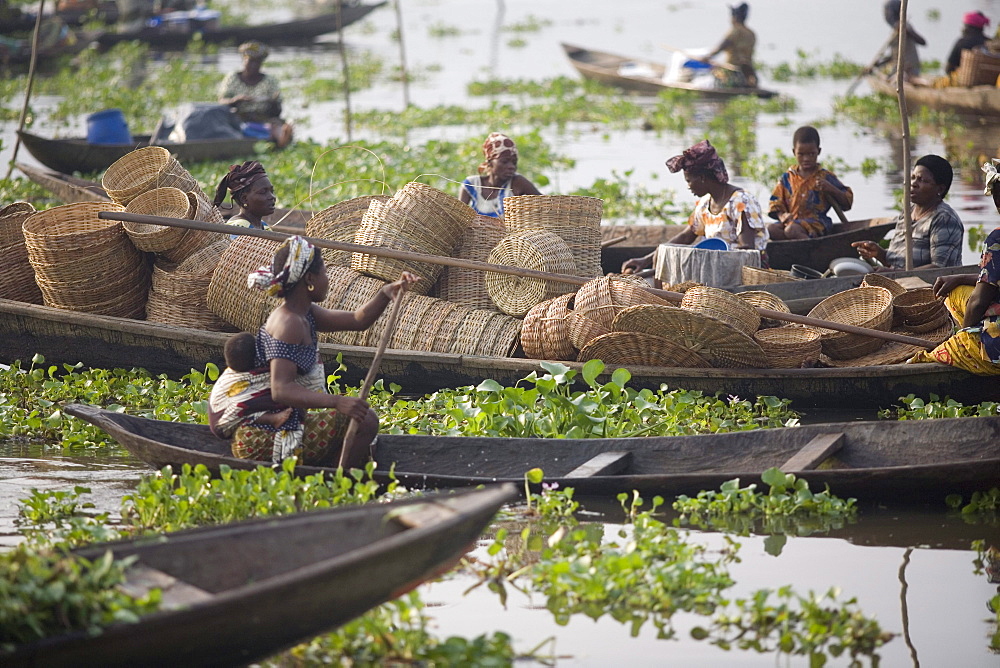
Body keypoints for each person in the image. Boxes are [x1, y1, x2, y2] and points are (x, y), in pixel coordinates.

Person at [228, 235, 419, 467]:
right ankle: (333, 481)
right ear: (309, 279)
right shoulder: (288, 323)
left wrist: (386, 293)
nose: (328, 280)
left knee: (363, 425)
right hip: (264, 433)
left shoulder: (306, 313)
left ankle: (335, 469)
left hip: (291, 419)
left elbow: (358, 320)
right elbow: (280, 390)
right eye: (325, 274)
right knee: (365, 421)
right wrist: (337, 401)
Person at [907, 160, 1000, 375]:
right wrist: (960, 278)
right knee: (955, 292)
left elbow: (977, 302)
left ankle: (966, 345)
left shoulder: (997, 239)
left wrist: (963, 336)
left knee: (923, 359)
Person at [621, 139, 768, 275]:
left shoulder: (741, 202)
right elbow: (686, 236)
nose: (688, 187)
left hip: (747, 271)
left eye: (689, 181)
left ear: (703, 178)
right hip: (716, 268)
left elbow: (748, 250)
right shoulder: (705, 204)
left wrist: (705, 259)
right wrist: (647, 259)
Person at [852, 154, 964, 271]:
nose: (913, 184)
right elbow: (898, 263)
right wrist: (880, 253)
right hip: (899, 281)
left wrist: (893, 273)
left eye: (922, 180)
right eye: (913, 177)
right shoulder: (908, 211)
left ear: (940, 189)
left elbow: (939, 268)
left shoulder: (944, 219)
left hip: (929, 287)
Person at [767, 126, 854, 240]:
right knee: (770, 229)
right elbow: (775, 204)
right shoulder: (787, 178)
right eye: (801, 154)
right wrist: (782, 216)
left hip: (817, 224)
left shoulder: (825, 177)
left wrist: (830, 188)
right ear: (794, 152)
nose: (806, 159)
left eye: (811, 154)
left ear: (818, 151)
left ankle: (811, 248)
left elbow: (846, 202)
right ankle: (793, 249)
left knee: (792, 230)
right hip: (792, 222)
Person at [208, 332, 293, 441]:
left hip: (218, 416)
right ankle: (271, 419)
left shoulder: (234, 369)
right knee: (274, 393)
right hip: (222, 426)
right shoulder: (254, 375)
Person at [217, 41, 293, 148]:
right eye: (250, 61)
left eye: (257, 62)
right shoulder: (233, 78)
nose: (253, 65)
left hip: (263, 119)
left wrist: (273, 102)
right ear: (244, 60)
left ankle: (281, 139)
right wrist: (236, 100)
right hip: (238, 119)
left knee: (275, 126)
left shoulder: (270, 81)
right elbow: (221, 101)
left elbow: (277, 111)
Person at [459, 132, 541, 218]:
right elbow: (458, 218)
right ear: (490, 163)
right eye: (504, 162)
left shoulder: (517, 183)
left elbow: (548, 206)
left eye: (514, 162)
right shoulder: (471, 184)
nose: (511, 167)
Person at [703, 2, 757, 88]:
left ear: (734, 18)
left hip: (733, 71)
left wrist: (707, 57)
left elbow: (721, 47)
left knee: (713, 71)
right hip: (748, 73)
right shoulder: (751, 33)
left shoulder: (735, 31)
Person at [213, 160, 275, 233]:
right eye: (263, 192)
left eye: (272, 191)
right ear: (244, 199)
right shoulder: (237, 227)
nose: (272, 197)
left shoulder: (264, 227)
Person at [878, 0, 926, 81]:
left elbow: (923, 42)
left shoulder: (905, 27)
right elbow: (895, 55)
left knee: (896, 79)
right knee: (887, 74)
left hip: (909, 70)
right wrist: (879, 64)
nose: (885, 15)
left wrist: (907, 31)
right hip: (898, 68)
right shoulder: (894, 31)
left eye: (887, 12)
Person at [946, 11, 990, 76]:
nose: (963, 29)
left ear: (971, 28)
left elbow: (948, 68)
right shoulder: (990, 43)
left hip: (965, 78)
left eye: (965, 26)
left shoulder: (961, 42)